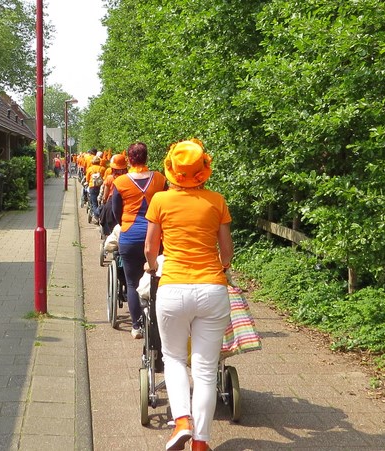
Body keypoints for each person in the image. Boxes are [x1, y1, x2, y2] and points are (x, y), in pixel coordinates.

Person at [144, 138, 233, 451]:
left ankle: (182, 420)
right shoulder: (217, 201)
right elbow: (226, 253)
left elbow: (150, 249)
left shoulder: (160, 201)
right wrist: (218, 266)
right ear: (203, 170)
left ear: (171, 170)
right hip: (212, 290)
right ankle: (201, 442)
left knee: (173, 358)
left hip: (173, 289)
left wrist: (153, 266)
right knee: (206, 370)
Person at [111, 142, 168, 338]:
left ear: (128, 158)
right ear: (147, 157)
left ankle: (136, 326)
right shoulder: (160, 179)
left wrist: (125, 225)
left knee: (133, 282)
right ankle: (160, 323)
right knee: (157, 279)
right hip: (155, 237)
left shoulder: (120, 183)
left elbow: (116, 212)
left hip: (130, 236)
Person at [85, 155, 104, 223]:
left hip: (92, 187)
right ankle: (101, 212)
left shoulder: (90, 169)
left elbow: (87, 179)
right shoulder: (103, 168)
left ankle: (96, 214)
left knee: (94, 202)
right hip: (101, 187)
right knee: (101, 201)